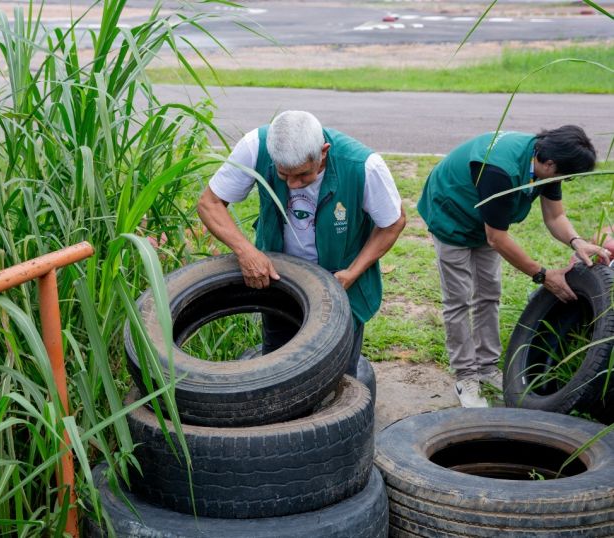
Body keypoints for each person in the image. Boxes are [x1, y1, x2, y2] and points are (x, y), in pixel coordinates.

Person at [197, 110, 405, 374]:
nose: (293, 185)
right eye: (284, 176)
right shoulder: (255, 146)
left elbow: (393, 222)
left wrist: (352, 273)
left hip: (339, 281)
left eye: (303, 175)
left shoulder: (363, 165)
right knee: (276, 366)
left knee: (336, 374)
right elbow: (209, 204)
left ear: (323, 152)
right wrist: (246, 251)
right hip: (279, 277)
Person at [417, 125, 605, 408]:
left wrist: (577, 242)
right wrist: (542, 275)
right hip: (452, 213)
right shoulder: (498, 170)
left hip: (488, 220)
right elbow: (497, 238)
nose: (566, 181)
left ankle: (487, 366)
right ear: (550, 164)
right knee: (458, 299)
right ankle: (466, 375)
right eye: (567, 176)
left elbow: (555, 217)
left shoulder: (546, 161)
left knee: (489, 293)